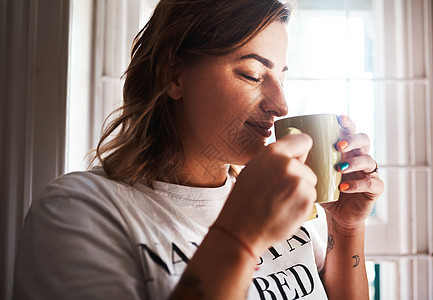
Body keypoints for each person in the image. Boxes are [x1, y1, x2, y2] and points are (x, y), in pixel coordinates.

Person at [14, 0, 384, 299]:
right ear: (173, 76)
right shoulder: (78, 211)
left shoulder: (278, 201)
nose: (281, 104)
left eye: (282, 76)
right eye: (253, 75)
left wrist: (346, 227)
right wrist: (239, 236)